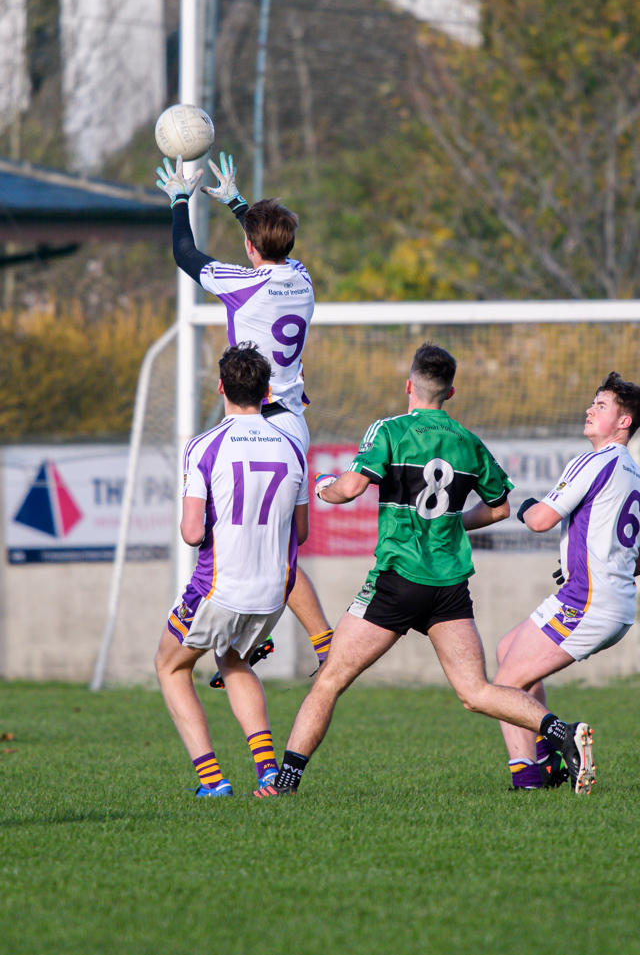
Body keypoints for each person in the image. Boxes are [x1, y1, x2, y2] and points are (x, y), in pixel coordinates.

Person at [254, 343, 595, 798]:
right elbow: (499, 509)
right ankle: (561, 731)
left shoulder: (390, 430)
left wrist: (321, 486)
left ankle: (285, 783)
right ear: (450, 392)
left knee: (331, 679)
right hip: (448, 586)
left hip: (397, 581)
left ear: (409, 385)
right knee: (475, 691)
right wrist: (454, 521)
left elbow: (349, 489)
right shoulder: (469, 442)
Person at [155, 151, 333, 670]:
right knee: (268, 538)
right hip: (293, 419)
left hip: (260, 416)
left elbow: (185, 253)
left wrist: (180, 200)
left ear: (251, 247)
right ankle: (259, 638)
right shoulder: (302, 278)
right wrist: (237, 203)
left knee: (256, 538)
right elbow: (269, 249)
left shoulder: (244, 283)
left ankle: (317, 641)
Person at [154, 342, 309, 796]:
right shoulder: (292, 446)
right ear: (266, 392)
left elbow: (190, 532)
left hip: (221, 587)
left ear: (221, 386)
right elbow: (299, 533)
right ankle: (265, 770)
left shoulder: (204, 446)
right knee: (233, 658)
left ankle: (212, 781)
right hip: (273, 593)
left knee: (170, 667)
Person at [494, 372, 640, 791]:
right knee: (506, 649)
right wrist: (590, 563)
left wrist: (525, 505)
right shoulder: (637, 476)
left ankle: (533, 774)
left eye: (601, 406)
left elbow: (540, 520)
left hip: (587, 602)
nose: (589, 409)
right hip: (609, 603)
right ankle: (547, 762)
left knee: (503, 687)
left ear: (624, 422)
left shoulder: (597, 460)